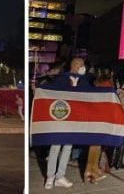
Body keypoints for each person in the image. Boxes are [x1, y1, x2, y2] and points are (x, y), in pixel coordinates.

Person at [43, 57, 89, 190]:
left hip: (72, 118)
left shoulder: (81, 80)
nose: (83, 68)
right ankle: (51, 176)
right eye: (82, 65)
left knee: (66, 147)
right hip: (61, 116)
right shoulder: (63, 78)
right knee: (57, 146)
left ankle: (59, 176)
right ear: (76, 65)